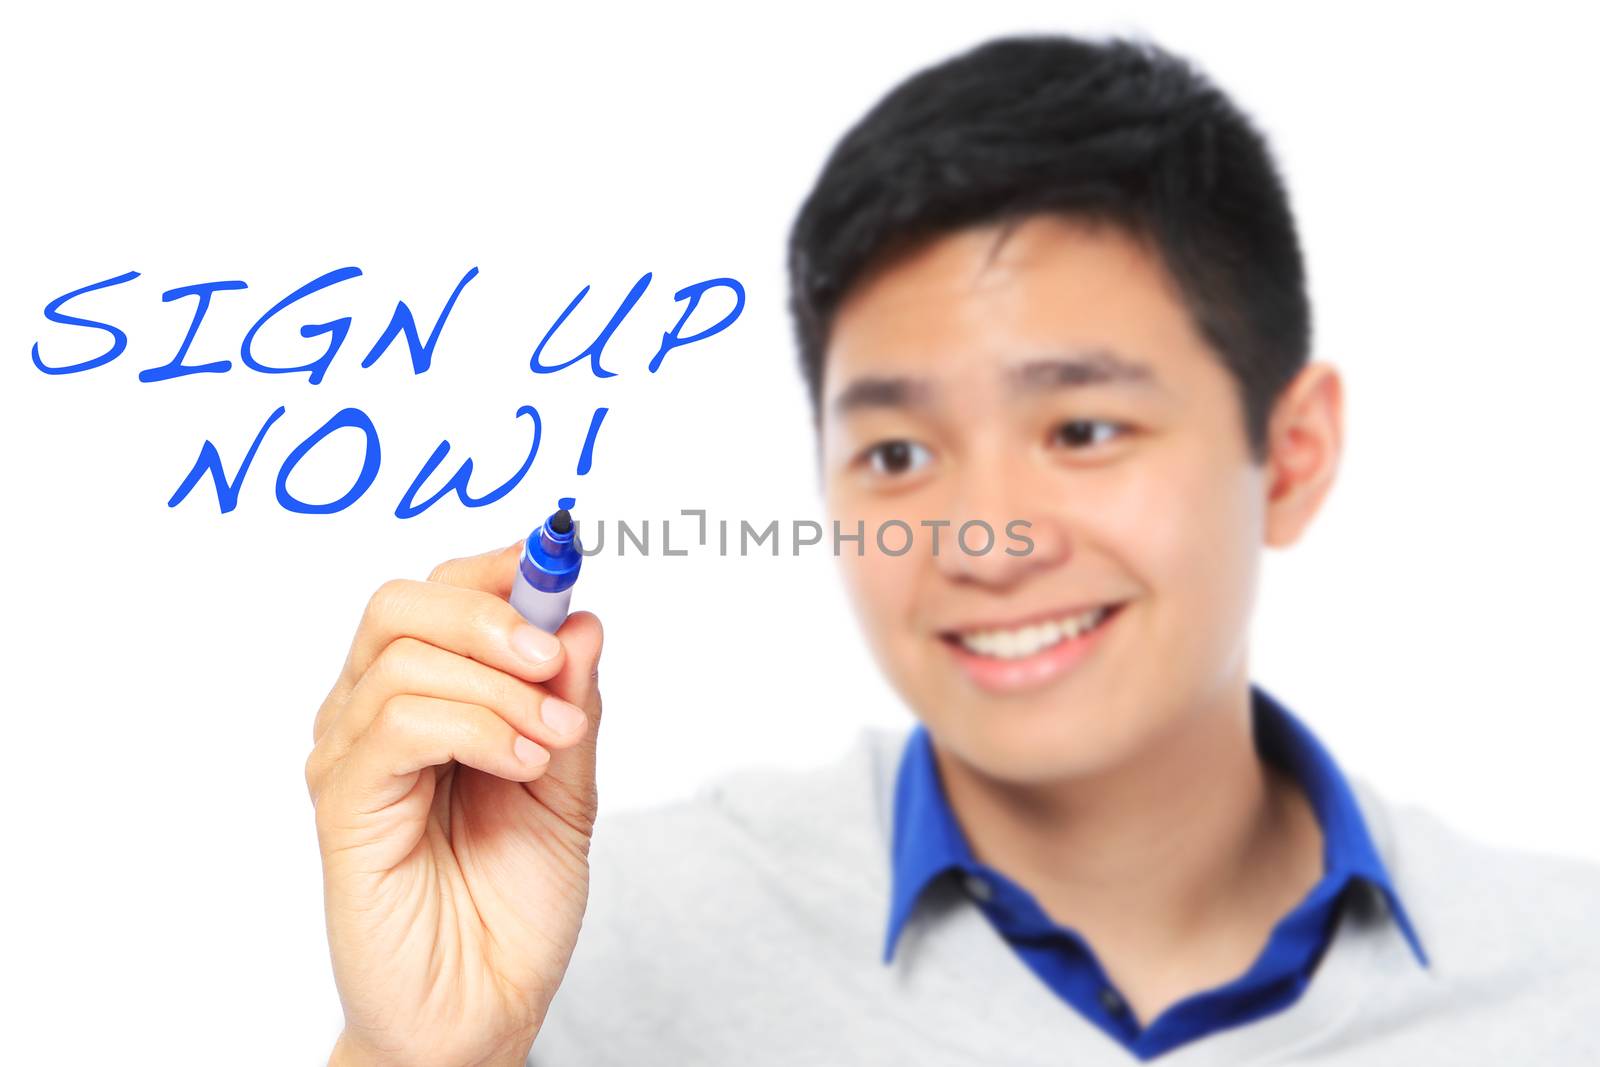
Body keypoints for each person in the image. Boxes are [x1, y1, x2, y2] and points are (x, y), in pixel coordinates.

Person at [306, 34, 1600, 1066]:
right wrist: (430, 1059)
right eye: (899, 455)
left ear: (1295, 454)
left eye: (1084, 427)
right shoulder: (598, 939)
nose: (986, 541)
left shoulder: (1568, 987)